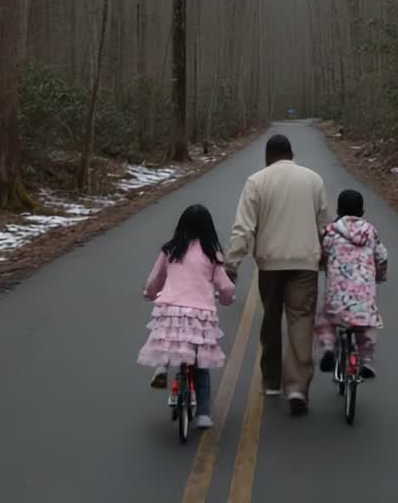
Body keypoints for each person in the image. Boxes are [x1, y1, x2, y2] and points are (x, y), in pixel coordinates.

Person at [225, 134, 329, 417]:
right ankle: (296, 387)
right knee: (301, 321)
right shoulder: (313, 180)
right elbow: (325, 226)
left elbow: (243, 229)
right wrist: (328, 260)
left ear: (268, 156)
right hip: (305, 264)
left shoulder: (256, 181)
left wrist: (231, 264)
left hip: (270, 265)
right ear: (291, 153)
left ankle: (271, 381)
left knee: (270, 318)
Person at [138, 204, 236, 430]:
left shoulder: (170, 250)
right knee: (200, 365)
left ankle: (162, 368)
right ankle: (203, 415)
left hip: (171, 309)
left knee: (166, 340)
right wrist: (226, 300)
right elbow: (226, 288)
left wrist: (150, 294)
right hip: (199, 315)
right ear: (208, 229)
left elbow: (155, 280)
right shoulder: (212, 255)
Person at [314, 190, 387, 379]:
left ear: (338, 210)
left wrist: (323, 265)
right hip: (363, 298)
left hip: (337, 297)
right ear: (362, 211)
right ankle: (366, 360)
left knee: (325, 321)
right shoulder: (370, 232)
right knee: (367, 326)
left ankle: (329, 348)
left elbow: (321, 255)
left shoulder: (330, 232)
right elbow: (381, 257)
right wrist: (380, 275)